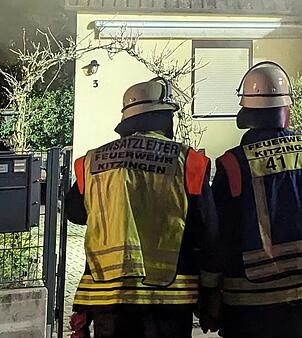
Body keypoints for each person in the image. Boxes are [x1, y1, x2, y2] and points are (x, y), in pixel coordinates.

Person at [65, 77, 221, 338]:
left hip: (107, 299)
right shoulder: (188, 160)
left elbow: (75, 213)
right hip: (170, 301)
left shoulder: (91, 161)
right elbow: (209, 232)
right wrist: (211, 290)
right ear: (162, 117)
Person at [210, 61, 302, 338]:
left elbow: (217, 237)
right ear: (286, 109)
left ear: (247, 110)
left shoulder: (234, 164)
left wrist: (209, 293)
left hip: (247, 305)